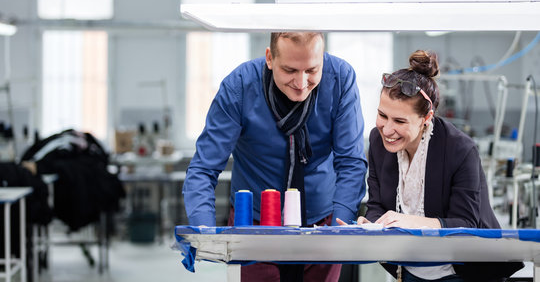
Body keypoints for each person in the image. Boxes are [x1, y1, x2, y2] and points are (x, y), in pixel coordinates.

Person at [182, 31, 368, 281]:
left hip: (323, 223)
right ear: (269, 58)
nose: (301, 83)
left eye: (312, 70)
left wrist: (339, 229)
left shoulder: (340, 79)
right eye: (290, 70)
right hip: (253, 225)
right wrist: (203, 232)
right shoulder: (240, 86)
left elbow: (351, 163)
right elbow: (204, 168)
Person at [338, 50, 523, 282]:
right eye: (382, 115)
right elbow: (377, 204)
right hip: (410, 269)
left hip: (464, 271)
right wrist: (372, 224)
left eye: (400, 121)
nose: (386, 129)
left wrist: (409, 222)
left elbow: (466, 223)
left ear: (427, 118)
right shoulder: (377, 142)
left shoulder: (460, 149)